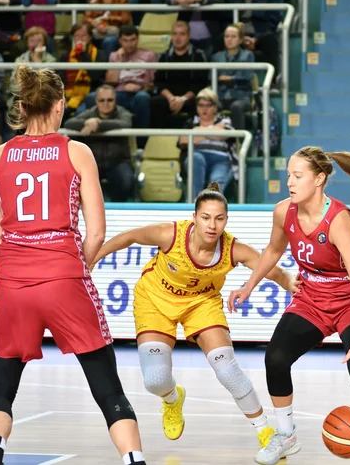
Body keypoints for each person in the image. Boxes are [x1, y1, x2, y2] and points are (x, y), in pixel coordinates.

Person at [0, 65, 147, 465]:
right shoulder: (77, 151)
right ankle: (133, 459)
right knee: (108, 388)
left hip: (12, 283)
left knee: (0, 392)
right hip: (64, 277)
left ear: (20, 106)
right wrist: (73, 268)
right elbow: (96, 232)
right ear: (59, 106)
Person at [228, 146, 350, 465]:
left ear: (319, 179)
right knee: (276, 359)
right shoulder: (284, 211)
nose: (290, 183)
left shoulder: (338, 220)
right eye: (288, 176)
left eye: (298, 176)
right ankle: (286, 435)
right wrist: (248, 285)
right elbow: (272, 250)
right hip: (311, 298)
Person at [90, 182, 299, 456]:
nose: (212, 225)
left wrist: (294, 284)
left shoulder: (232, 249)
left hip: (201, 303)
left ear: (226, 220)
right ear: (195, 217)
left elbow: (273, 271)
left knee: (228, 371)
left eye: (219, 218)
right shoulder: (170, 234)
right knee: (155, 379)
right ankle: (172, 398)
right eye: (206, 217)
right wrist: (93, 257)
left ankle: (264, 431)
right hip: (155, 299)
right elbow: (130, 237)